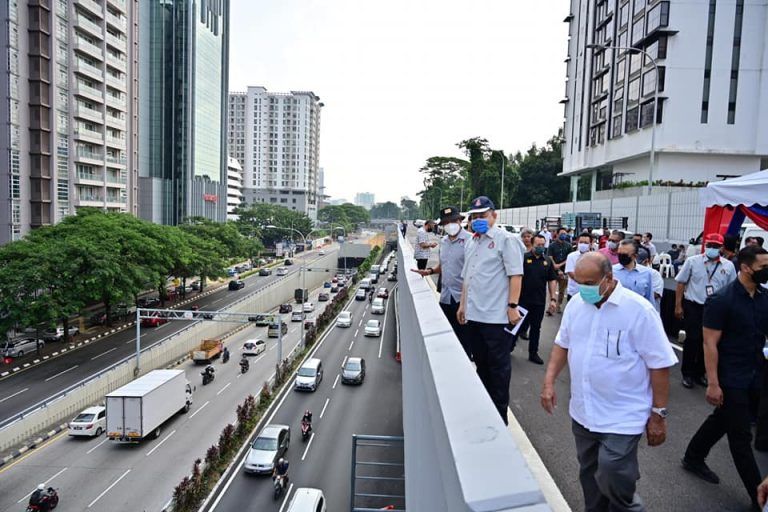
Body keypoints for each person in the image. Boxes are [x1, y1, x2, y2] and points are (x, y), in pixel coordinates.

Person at [541, 253, 677, 512]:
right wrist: (548, 382)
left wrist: (659, 414)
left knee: (613, 472)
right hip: (583, 411)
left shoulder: (639, 311)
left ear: (609, 278)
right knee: (589, 477)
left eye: (590, 282)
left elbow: (659, 364)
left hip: (623, 415)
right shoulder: (576, 305)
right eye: (578, 282)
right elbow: (562, 345)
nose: (584, 289)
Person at [682, 246, 768, 509]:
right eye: (763, 266)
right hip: (730, 376)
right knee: (740, 435)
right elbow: (710, 344)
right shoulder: (722, 299)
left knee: (723, 419)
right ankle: (759, 498)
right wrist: (714, 383)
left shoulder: (764, 297)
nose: (766, 270)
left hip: (755, 373)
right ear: (745, 267)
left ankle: (693, 456)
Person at [457, 196, 524, 424]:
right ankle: (483, 411)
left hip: (496, 317)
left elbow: (515, 275)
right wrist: (462, 304)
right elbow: (468, 277)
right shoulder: (471, 241)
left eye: (482, 216)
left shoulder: (507, 240)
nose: (477, 220)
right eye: (474, 216)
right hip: (474, 315)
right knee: (481, 364)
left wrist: (513, 307)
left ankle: (499, 417)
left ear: (494, 215)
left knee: (498, 369)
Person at [675, 233, 737, 389]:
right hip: (694, 305)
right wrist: (678, 305)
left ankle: (700, 373)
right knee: (693, 340)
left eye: (716, 246)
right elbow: (681, 283)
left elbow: (732, 289)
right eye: (710, 245)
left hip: (716, 308)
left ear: (722, 248)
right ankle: (687, 374)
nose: (712, 249)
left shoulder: (728, 266)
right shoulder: (692, 261)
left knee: (710, 342)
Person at [412, 206, 473, 358]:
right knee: (447, 338)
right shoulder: (444, 242)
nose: (450, 224)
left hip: (463, 300)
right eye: (446, 222)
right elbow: (443, 265)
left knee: (464, 341)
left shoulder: (471, 240)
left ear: (460, 220)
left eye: (453, 220)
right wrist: (430, 271)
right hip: (446, 297)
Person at [515, 234, 558, 364]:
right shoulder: (523, 258)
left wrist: (553, 299)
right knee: (515, 325)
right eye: (537, 245)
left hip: (538, 301)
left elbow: (551, 280)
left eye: (542, 245)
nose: (540, 247)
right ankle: (508, 348)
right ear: (531, 245)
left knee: (535, 328)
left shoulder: (547, 261)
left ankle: (533, 353)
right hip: (522, 300)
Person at [613, 240, 655, 305]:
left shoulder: (646, 273)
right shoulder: (611, 271)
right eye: (619, 254)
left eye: (624, 254)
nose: (620, 257)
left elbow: (649, 298)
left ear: (634, 256)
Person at [548, 227, 572, 313]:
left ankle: (558, 305)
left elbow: (570, 258)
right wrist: (555, 266)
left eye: (565, 234)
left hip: (564, 271)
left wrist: (560, 265)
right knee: (552, 290)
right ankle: (551, 306)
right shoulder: (552, 246)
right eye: (561, 233)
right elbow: (550, 257)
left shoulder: (569, 246)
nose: (563, 235)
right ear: (557, 234)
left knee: (562, 291)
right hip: (553, 271)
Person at [564, 232, 593, 300]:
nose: (583, 244)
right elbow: (571, 273)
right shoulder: (571, 256)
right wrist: (586, 281)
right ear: (577, 243)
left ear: (591, 244)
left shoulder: (595, 257)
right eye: (581, 242)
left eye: (586, 243)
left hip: (590, 293)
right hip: (574, 292)